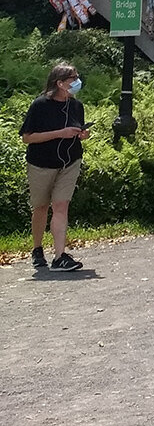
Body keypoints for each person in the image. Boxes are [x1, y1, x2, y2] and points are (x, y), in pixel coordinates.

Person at [20, 63, 88, 271]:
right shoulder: (40, 105)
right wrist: (60, 133)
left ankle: (60, 257)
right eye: (72, 79)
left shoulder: (76, 106)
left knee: (61, 205)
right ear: (59, 83)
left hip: (70, 163)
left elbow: (76, 129)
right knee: (41, 207)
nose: (77, 82)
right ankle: (37, 248)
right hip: (41, 164)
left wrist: (81, 134)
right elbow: (27, 137)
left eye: (77, 77)